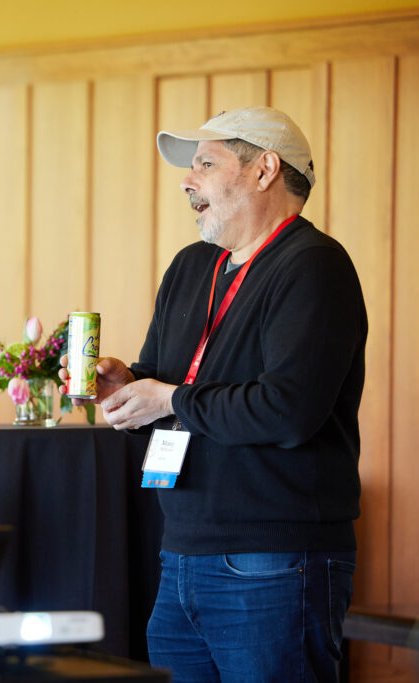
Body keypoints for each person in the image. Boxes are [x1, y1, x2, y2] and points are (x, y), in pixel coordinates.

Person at [64, 106, 366, 682]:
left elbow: (289, 411)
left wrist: (170, 399)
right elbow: (165, 377)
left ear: (264, 170)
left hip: (277, 561)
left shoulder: (315, 266)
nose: (186, 180)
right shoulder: (190, 266)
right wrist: (126, 387)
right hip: (180, 552)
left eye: (205, 163)